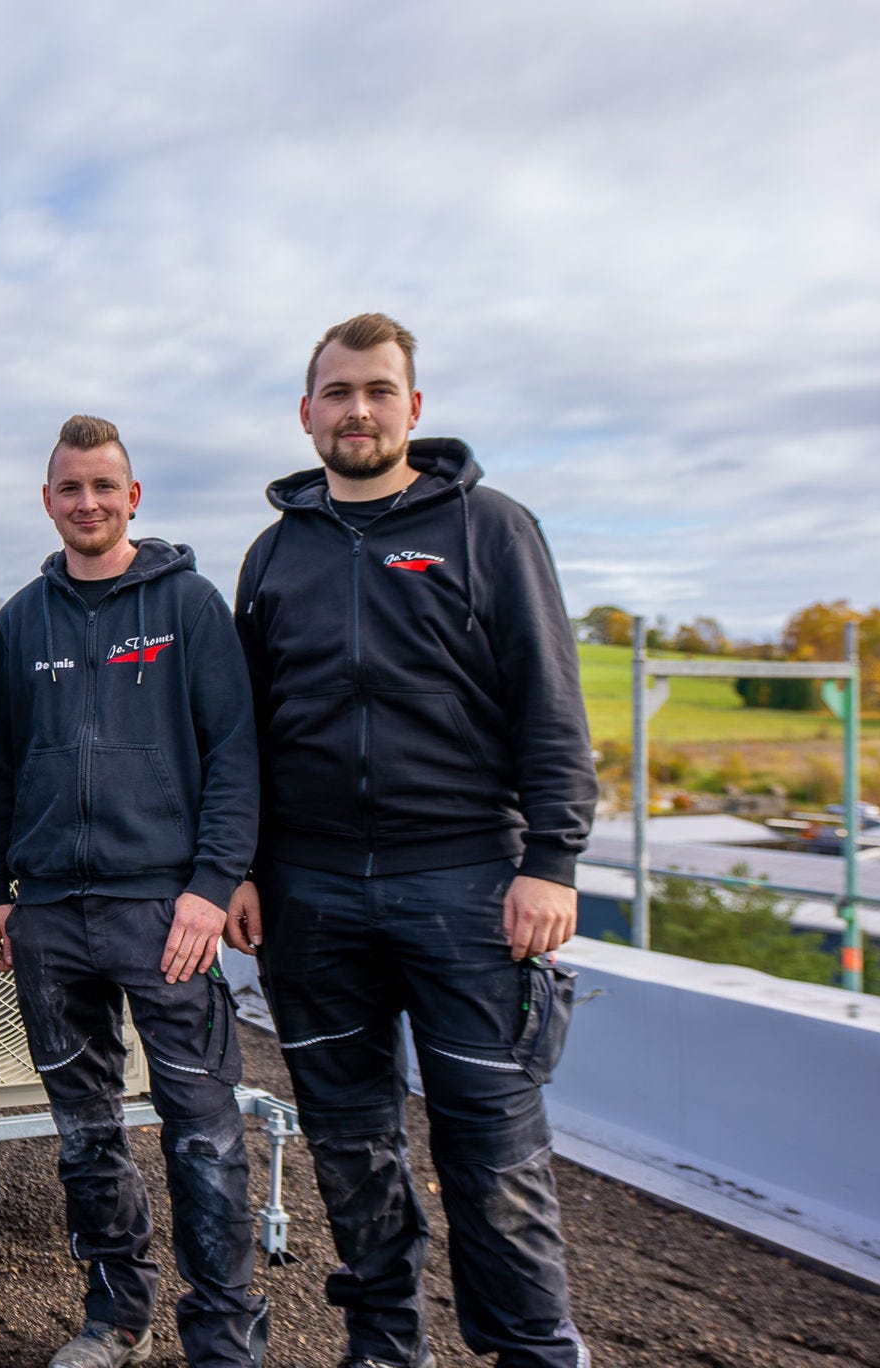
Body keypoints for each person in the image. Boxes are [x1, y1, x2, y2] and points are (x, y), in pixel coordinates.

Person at [228, 314, 595, 1368]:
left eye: (377, 390)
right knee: (349, 1145)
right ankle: (384, 1345)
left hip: (465, 882)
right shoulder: (274, 554)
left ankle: (534, 1351)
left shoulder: (490, 528)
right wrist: (244, 866)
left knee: (494, 1146)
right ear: (307, 414)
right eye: (337, 393)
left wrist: (551, 861)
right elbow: (246, 731)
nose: (357, 410)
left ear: (413, 408)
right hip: (310, 895)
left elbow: (549, 702)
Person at [0, 415, 267, 1368]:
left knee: (204, 1134)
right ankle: (115, 1317)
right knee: (86, 1132)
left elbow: (235, 754)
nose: (88, 502)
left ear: (132, 497)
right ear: (47, 500)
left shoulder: (190, 606)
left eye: (104, 486)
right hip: (52, 916)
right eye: (70, 488)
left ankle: (223, 1338)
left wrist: (212, 886)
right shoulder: (20, 623)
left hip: (166, 913)